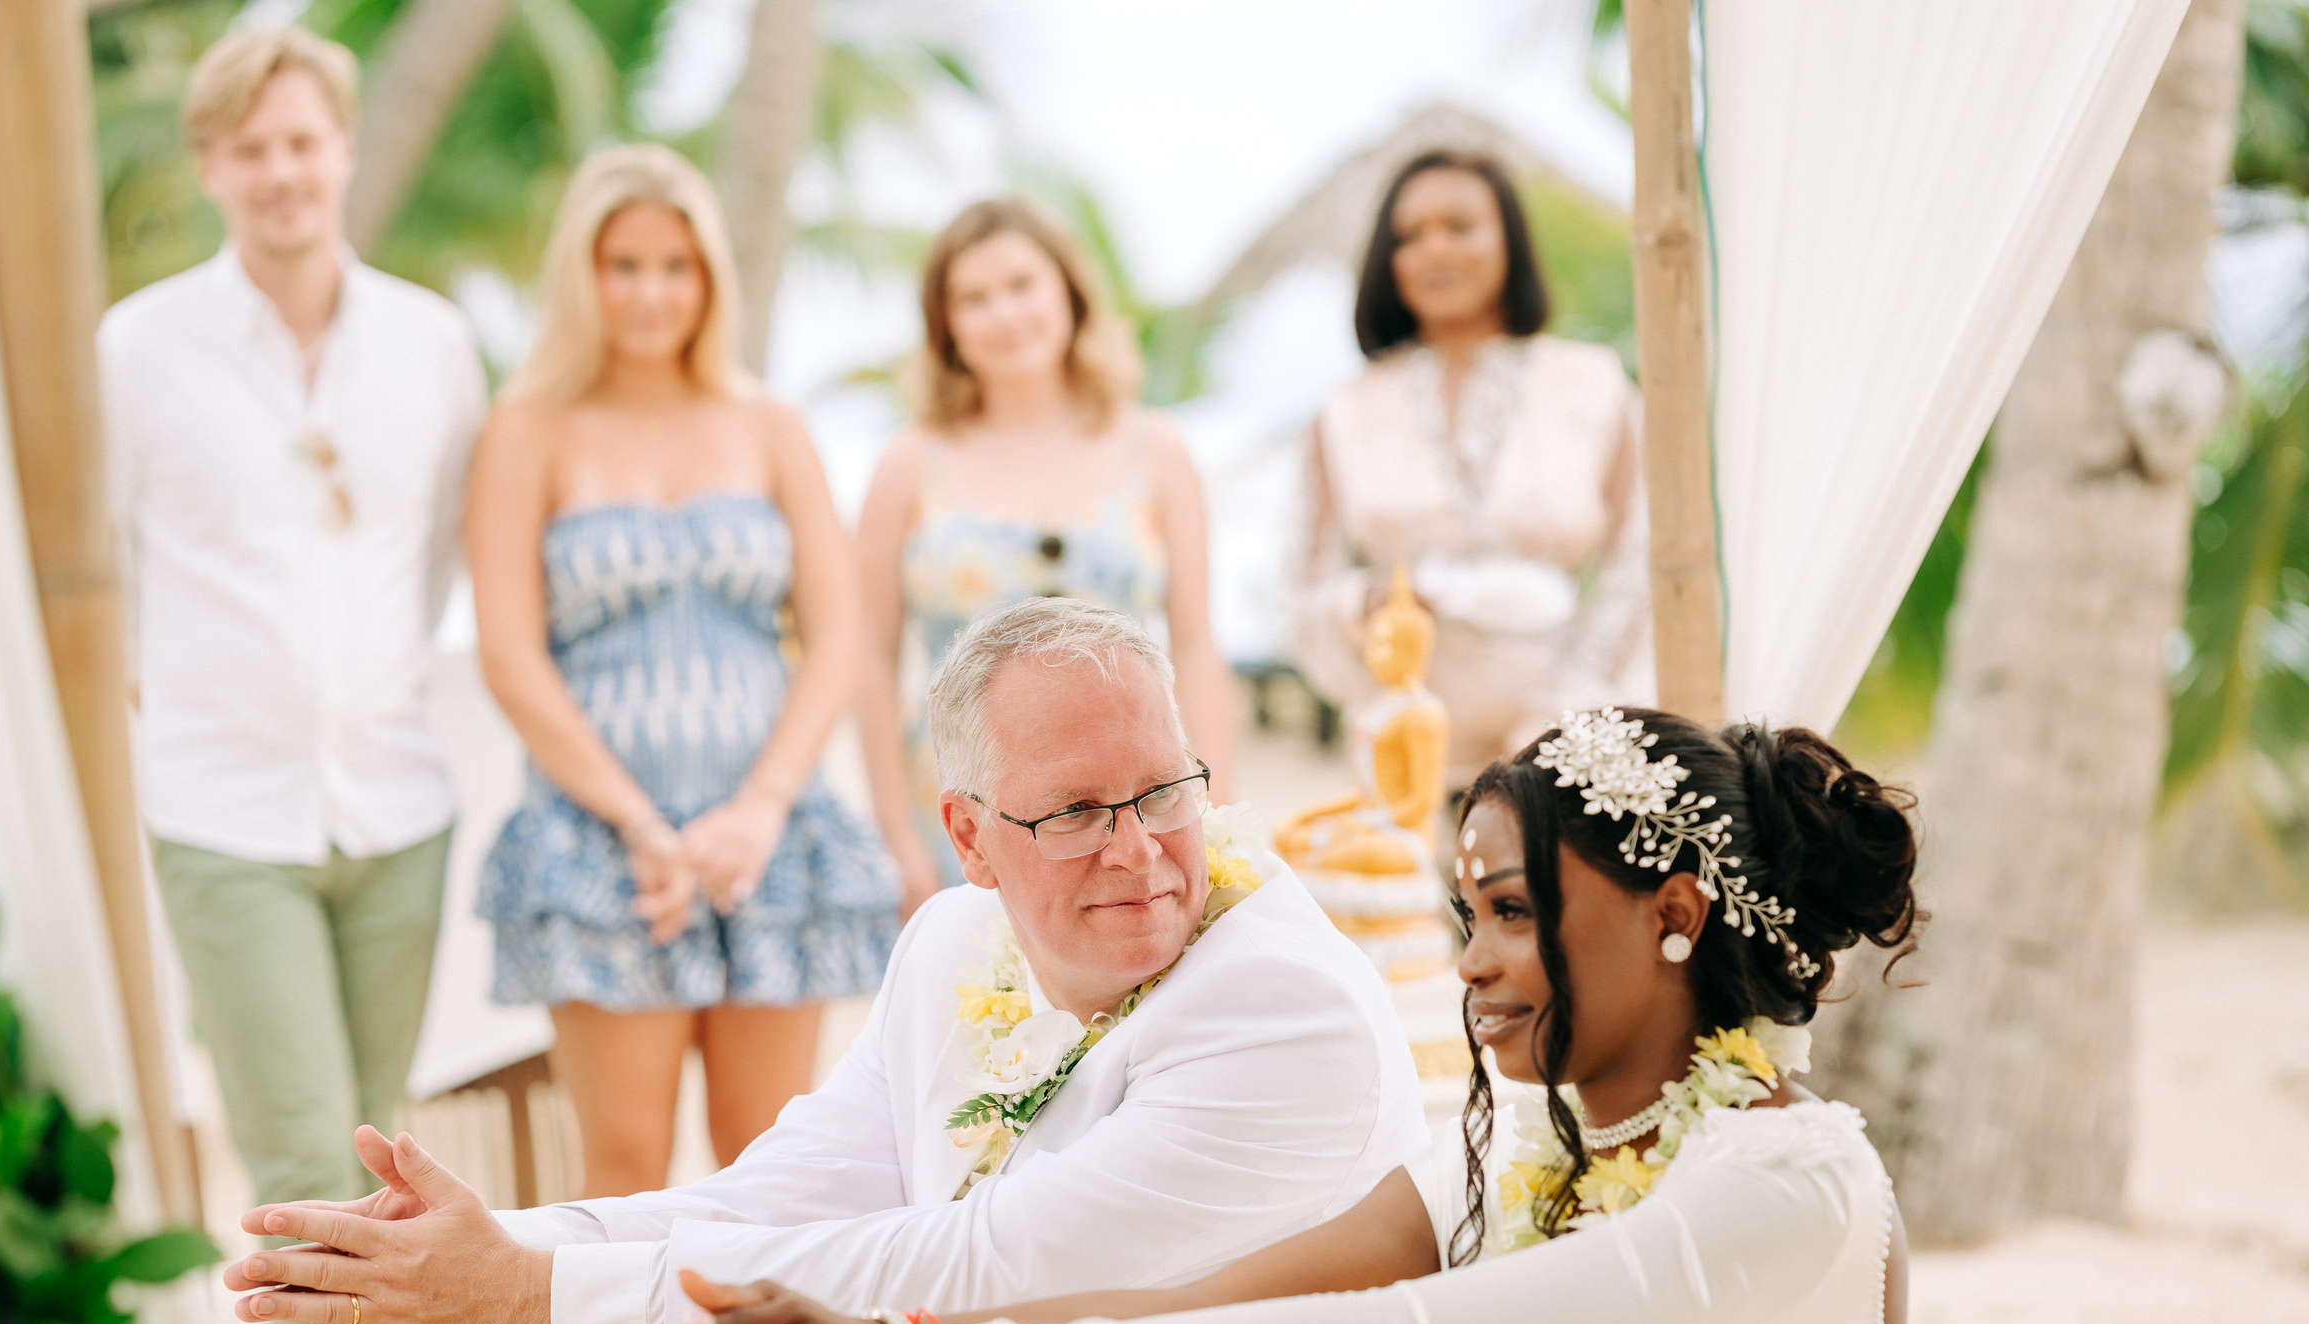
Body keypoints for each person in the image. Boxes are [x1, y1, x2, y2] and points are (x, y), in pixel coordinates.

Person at [585, 706, 1961, 1324]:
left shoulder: (1788, 1185)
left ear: (1675, 914)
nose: (1472, 964)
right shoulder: (1514, 1151)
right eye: (1466, 917)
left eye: (1514, 912)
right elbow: (1219, 1300)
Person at [222, 600, 1426, 1324]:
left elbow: (989, 1271)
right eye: (1073, 812)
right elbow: (773, 1199)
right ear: (968, 837)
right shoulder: (955, 942)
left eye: (1164, 792)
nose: (1137, 849)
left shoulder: (1285, 1010)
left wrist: (527, 1291)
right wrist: (475, 1249)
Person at [97, 26, 484, 1324]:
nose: (281, 172)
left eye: (303, 141)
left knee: (369, 1161)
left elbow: (433, 558)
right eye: (250, 148)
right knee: (304, 1163)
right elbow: (103, 569)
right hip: (224, 817)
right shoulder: (141, 348)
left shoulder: (431, 344)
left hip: (397, 805)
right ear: (210, 166)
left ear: (345, 150)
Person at [467, 144, 899, 1199]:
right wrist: (639, 825)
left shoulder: (769, 426)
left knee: (768, 1162)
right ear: (582, 276)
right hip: (602, 849)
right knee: (626, 1168)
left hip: (769, 839)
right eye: (624, 265)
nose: (651, 292)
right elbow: (510, 656)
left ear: (711, 277)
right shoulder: (528, 432)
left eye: (676, 266)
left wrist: (759, 809)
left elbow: (836, 634)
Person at [854, 197, 1235, 914]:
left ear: (1068, 292)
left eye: (1021, 285)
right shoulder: (908, 464)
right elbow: (870, 662)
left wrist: (1214, 814)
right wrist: (893, 835)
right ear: (945, 324)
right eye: (974, 298)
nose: (1004, 313)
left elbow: (1196, 645)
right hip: (962, 815)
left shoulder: (1155, 451)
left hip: (1128, 807)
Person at [1294, 152, 1650, 787]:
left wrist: (1570, 712)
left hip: (1570, 753)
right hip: (1401, 757)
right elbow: (1306, 585)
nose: (1434, 249)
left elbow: (1638, 562)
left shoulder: (1592, 384)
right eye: (1409, 236)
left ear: (1509, 239)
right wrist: (1365, 603)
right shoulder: (1345, 409)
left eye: (1459, 227)